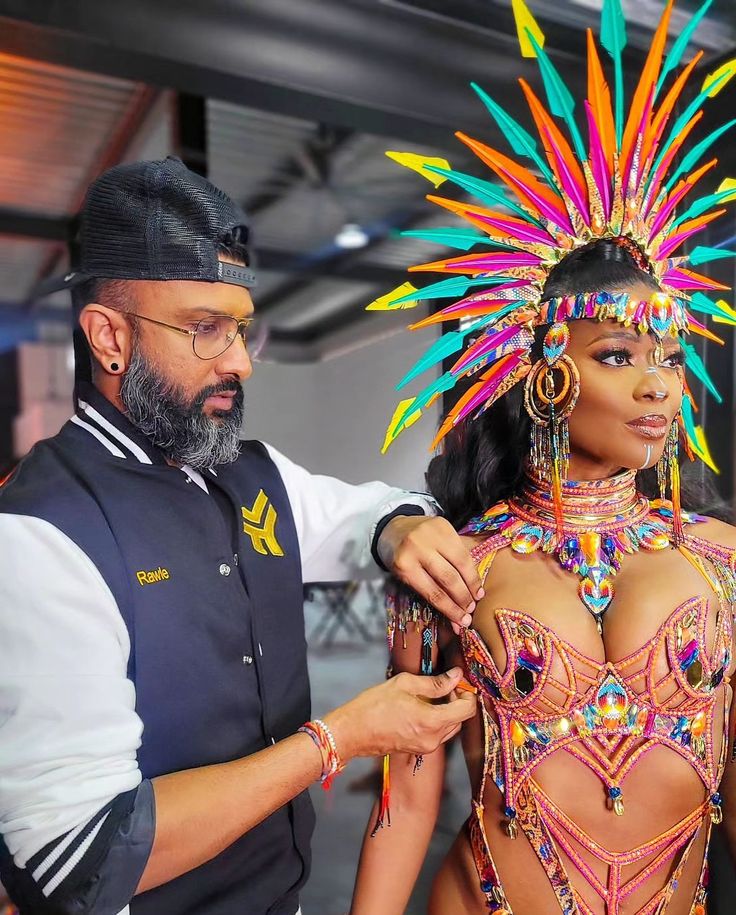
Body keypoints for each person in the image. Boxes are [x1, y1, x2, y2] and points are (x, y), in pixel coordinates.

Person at [0, 157, 482, 915]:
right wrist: (337, 738)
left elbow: (363, 512)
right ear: (108, 337)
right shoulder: (45, 533)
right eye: (203, 329)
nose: (236, 362)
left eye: (242, 330)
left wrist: (400, 529)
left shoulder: (249, 473)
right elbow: (82, 860)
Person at [350, 1, 736, 913]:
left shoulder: (720, 559)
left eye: (670, 360)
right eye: (618, 356)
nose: (657, 386)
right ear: (545, 380)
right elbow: (405, 796)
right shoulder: (452, 565)